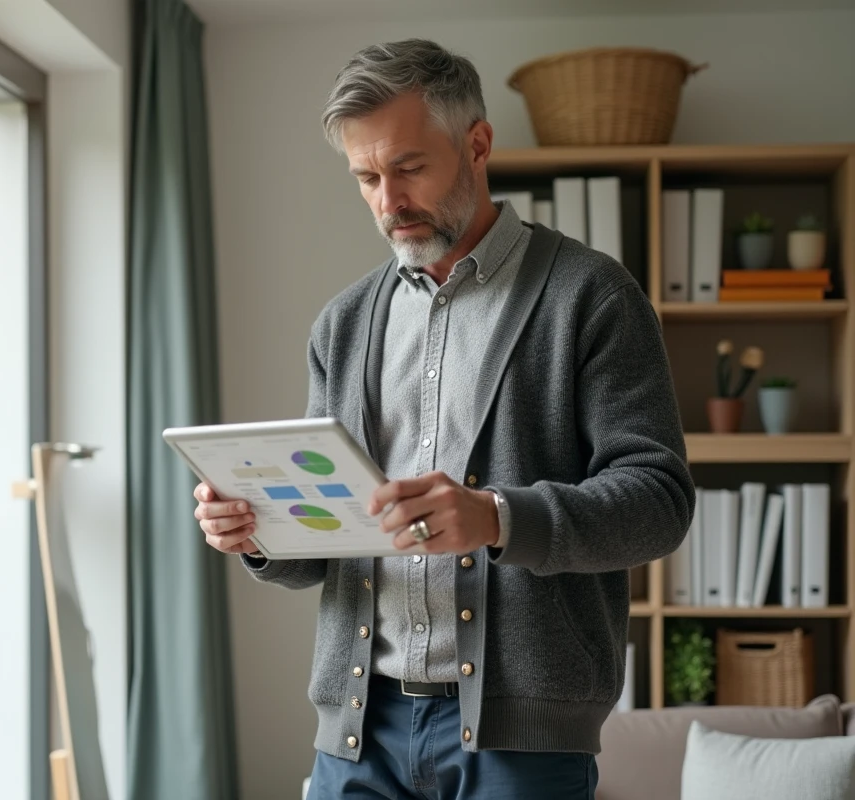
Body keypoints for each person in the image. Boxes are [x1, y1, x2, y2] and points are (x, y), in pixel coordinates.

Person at [194, 39, 694, 799]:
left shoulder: (592, 297)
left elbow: (658, 503)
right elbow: (326, 542)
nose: (387, 201)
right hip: (359, 732)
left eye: (409, 168)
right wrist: (258, 529)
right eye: (366, 176)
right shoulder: (344, 324)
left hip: (521, 743)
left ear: (478, 145)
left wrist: (496, 517)